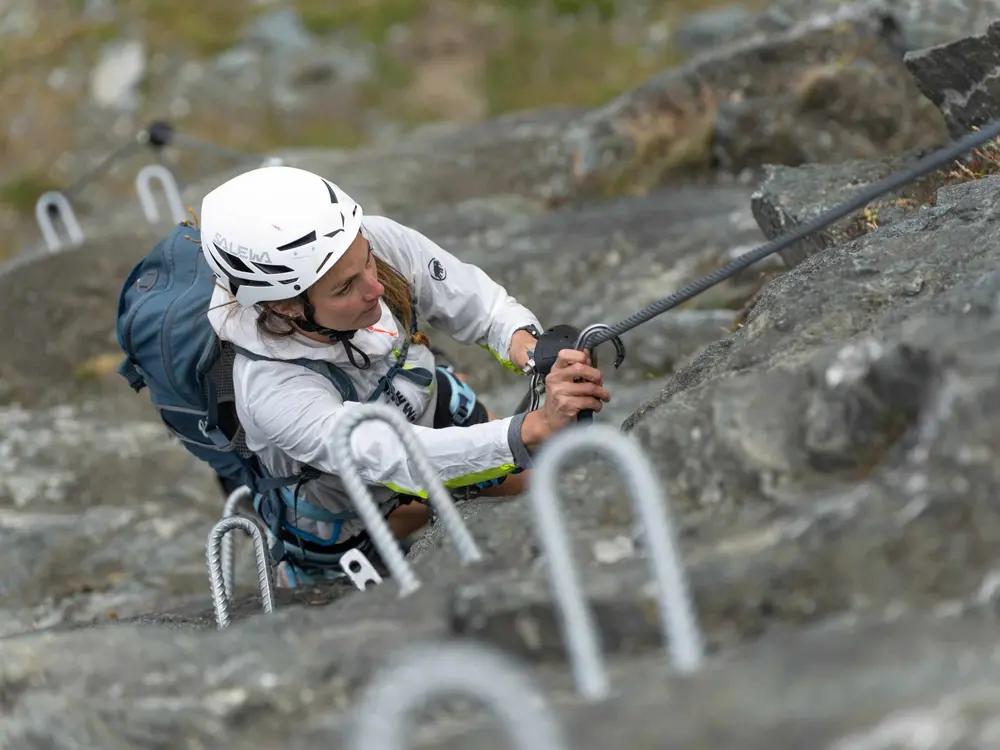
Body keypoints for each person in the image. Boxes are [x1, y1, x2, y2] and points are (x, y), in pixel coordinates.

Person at [201, 165, 611, 587]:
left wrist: (530, 349)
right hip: (346, 511)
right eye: (345, 288)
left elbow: (479, 305)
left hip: (426, 402)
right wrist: (535, 428)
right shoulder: (270, 390)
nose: (375, 288)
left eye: (367, 261)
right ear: (286, 307)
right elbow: (396, 455)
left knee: (549, 487)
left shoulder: (373, 241)